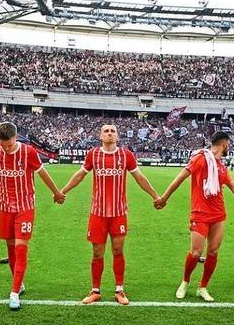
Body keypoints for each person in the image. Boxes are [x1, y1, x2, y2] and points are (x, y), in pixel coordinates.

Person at [60, 124, 161, 305]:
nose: (109, 134)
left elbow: (139, 178)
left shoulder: (126, 155)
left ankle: (119, 290)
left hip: (118, 212)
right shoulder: (93, 154)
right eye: (106, 131)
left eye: (112, 131)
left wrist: (156, 196)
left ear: (118, 136)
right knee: (97, 252)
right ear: (100, 136)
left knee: (117, 250)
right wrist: (63, 191)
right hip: (97, 213)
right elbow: (80, 175)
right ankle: (95, 290)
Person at [157, 131, 234, 302]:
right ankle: (185, 282)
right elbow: (181, 177)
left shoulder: (221, 166)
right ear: (224, 143)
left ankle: (203, 287)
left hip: (218, 215)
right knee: (195, 252)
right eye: (228, 144)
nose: (229, 147)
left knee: (213, 251)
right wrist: (164, 197)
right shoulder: (200, 159)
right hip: (200, 214)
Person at [0, 122, 65, 310]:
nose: (6, 149)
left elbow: (43, 173)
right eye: (3, 145)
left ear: (16, 138)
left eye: (9, 145)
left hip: (25, 206)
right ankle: (19, 283)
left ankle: (14, 292)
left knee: (21, 246)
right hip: (5, 206)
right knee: (10, 247)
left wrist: (56, 192)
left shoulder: (29, 152)